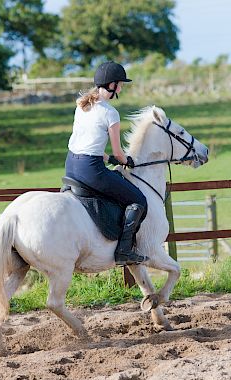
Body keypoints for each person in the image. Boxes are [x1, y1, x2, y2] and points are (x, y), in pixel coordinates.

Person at [65, 61, 148, 266]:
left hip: (71, 165)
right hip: (91, 170)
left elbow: (87, 141)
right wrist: (127, 161)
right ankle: (124, 251)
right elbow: (119, 153)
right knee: (138, 200)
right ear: (111, 85)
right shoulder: (110, 113)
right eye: (120, 84)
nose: (121, 88)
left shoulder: (81, 104)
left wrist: (106, 157)